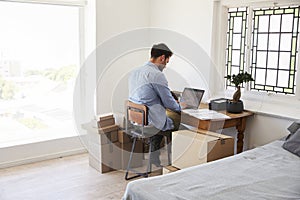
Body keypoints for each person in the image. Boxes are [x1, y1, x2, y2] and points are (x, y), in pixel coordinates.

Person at [128, 43, 185, 167]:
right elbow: (169, 103)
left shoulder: (135, 72)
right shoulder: (157, 75)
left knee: (161, 118)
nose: (165, 66)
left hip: (137, 121)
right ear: (162, 58)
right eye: (166, 62)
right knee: (184, 124)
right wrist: (182, 107)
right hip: (151, 121)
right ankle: (181, 163)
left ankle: (154, 157)